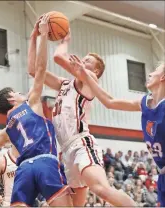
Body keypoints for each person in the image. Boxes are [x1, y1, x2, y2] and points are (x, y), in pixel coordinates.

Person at [28, 30, 136, 206]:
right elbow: (34, 70)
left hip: (81, 144)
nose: (82, 61)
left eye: (88, 61)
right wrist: (34, 38)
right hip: (65, 150)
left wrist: (65, 41)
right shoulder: (65, 84)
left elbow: (58, 57)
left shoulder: (89, 79)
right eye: (83, 59)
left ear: (96, 70)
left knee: (101, 189)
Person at [0, 14, 73, 207]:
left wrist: (33, 37)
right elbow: (40, 68)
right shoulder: (31, 103)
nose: (23, 93)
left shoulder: (6, 131)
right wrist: (43, 36)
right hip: (45, 162)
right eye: (18, 92)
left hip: (24, 170)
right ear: (12, 99)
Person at [69, 56, 165, 207]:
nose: (150, 74)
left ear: (163, 77)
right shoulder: (145, 102)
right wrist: (85, 74)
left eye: (154, 72)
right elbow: (110, 102)